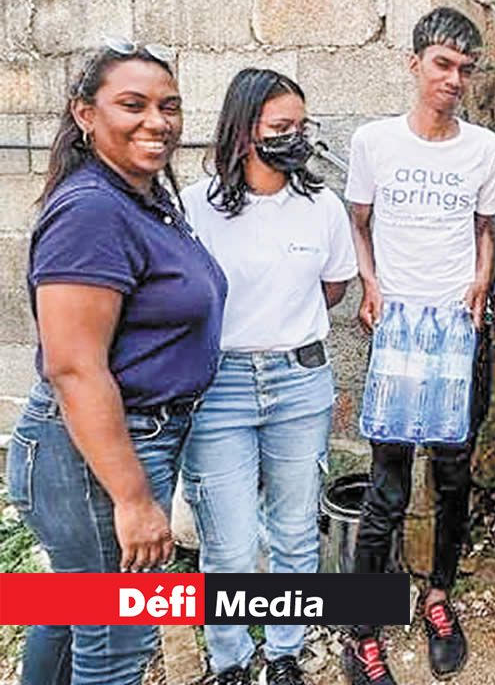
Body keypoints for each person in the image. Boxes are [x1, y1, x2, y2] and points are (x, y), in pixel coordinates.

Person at [7, 39, 226, 685]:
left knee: (71, 611)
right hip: (98, 456)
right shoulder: (93, 210)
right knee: (116, 644)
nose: (157, 121)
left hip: (114, 444)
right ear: (85, 114)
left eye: (169, 106)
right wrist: (132, 500)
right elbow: (75, 367)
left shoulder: (139, 196)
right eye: (133, 105)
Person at [179, 69, 357, 685]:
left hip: (299, 381)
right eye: (281, 127)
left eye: (302, 127)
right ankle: (229, 659)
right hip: (218, 386)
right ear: (242, 130)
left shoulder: (322, 206)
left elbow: (333, 287)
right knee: (226, 544)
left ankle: (284, 653)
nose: (296, 139)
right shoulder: (195, 207)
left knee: (294, 531)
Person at [342, 7, 495, 685]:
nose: (454, 79)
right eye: (442, 64)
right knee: (387, 485)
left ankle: (438, 597)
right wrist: (370, 283)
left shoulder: (483, 148)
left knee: (453, 477)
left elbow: (486, 228)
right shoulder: (374, 142)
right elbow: (358, 222)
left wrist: (482, 279)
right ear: (414, 64)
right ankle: (363, 629)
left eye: (465, 69)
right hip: (399, 329)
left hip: (457, 332)